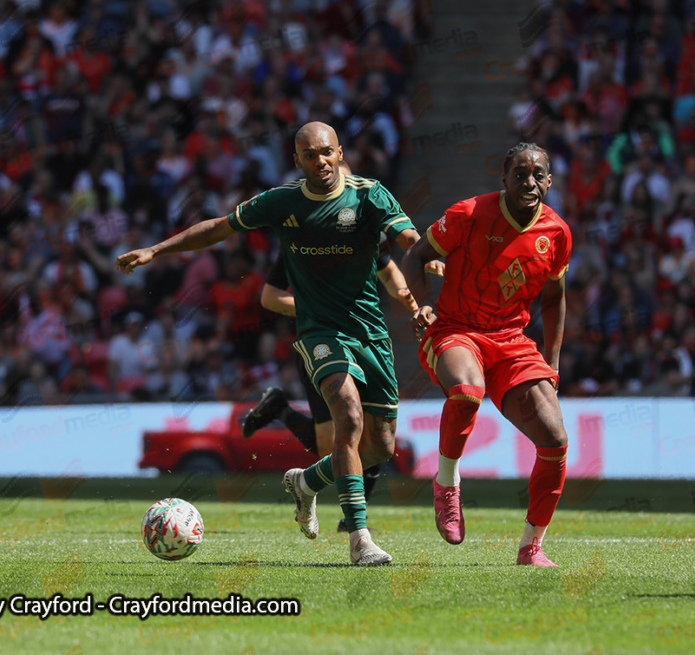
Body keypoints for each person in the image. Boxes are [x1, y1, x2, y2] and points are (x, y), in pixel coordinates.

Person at [117, 121, 422, 565]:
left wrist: (432, 271)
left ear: (339, 153)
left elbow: (408, 242)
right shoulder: (284, 203)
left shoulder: (370, 195)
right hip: (321, 334)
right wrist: (156, 251)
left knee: (380, 446)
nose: (320, 161)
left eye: (327, 152)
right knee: (349, 421)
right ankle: (360, 540)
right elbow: (220, 227)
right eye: (309, 155)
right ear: (297, 161)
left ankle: (306, 483)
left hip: (371, 333)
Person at [401, 142, 572, 567]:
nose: (528, 182)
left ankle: (531, 547)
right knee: (466, 389)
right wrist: (419, 305)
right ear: (504, 178)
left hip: (512, 341)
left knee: (555, 441)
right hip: (456, 330)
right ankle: (447, 485)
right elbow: (416, 255)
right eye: (520, 174)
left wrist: (551, 361)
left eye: (537, 175)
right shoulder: (469, 213)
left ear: (549, 181)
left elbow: (554, 298)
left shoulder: (557, 233)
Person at [242, 235, 420, 533]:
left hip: (364, 341)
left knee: (371, 430)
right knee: (332, 444)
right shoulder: (299, 242)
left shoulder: (362, 234)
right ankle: (281, 408)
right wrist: (318, 307)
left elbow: (388, 269)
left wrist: (410, 299)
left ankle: (351, 519)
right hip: (318, 344)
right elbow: (269, 297)